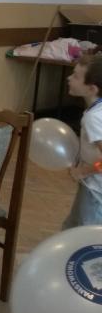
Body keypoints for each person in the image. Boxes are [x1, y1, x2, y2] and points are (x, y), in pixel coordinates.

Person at [63, 54, 102, 228]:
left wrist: (83, 171)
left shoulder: (93, 118)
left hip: (95, 190)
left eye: (76, 76)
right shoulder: (97, 109)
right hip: (92, 186)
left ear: (92, 89)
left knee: (85, 235)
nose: (69, 78)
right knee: (71, 228)